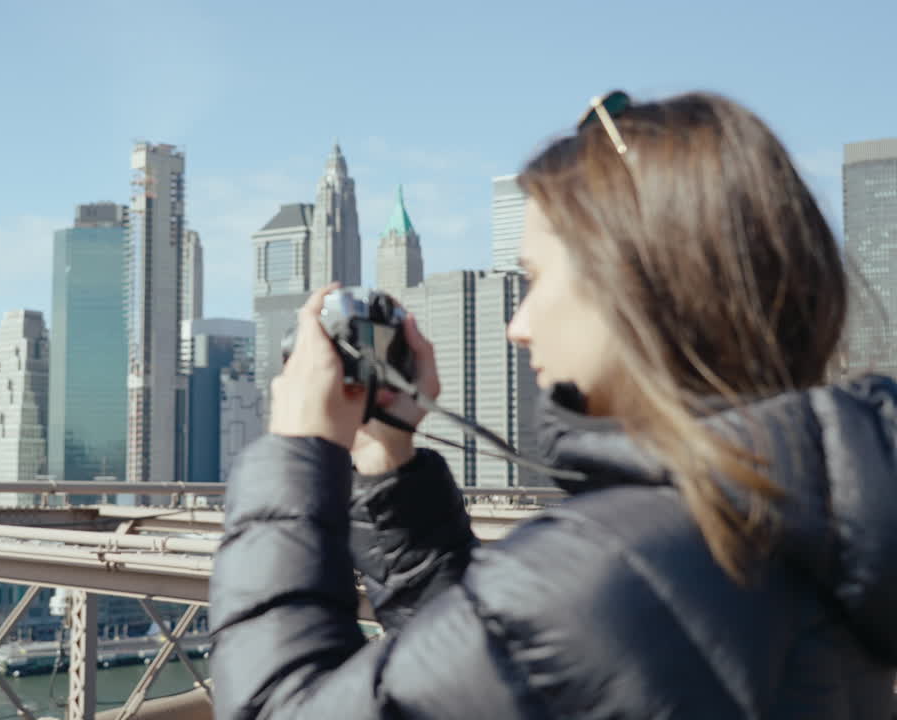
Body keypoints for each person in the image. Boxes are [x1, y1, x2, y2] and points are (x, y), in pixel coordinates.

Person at [208, 90, 897, 719]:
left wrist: (299, 449)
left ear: (632, 278)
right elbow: (510, 672)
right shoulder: (796, 515)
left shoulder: (614, 562)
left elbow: (277, 708)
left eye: (534, 278)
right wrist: (387, 466)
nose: (519, 324)